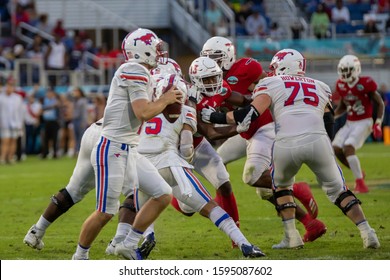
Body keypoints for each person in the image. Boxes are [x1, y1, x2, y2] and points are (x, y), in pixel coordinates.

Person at [201, 48, 380, 250]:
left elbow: (249, 114)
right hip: (318, 140)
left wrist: (215, 117)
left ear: (285, 66)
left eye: (275, 66)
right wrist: (327, 143)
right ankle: (368, 232)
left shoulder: (271, 83)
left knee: (281, 188)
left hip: (286, 142)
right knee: (340, 191)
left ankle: (291, 237)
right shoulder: (319, 85)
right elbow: (329, 118)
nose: (272, 70)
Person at [111, 73, 265, 258]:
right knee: (210, 207)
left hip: (139, 166)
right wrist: (188, 158)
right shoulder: (186, 110)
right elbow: (185, 148)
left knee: (144, 206)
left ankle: (127, 243)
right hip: (169, 164)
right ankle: (245, 245)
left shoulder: (146, 109)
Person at [201, 37, 327, 243]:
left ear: (228, 56)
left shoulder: (246, 67)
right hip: (245, 132)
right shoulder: (212, 80)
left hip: (264, 127)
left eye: (215, 58)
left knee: (252, 177)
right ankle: (310, 224)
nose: (212, 63)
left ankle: (296, 189)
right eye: (208, 58)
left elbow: (274, 85)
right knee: (247, 181)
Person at [72, 28, 183, 260]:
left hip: (129, 148)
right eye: (154, 47)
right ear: (140, 50)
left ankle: (128, 243)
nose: (158, 52)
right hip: (111, 147)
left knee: (163, 194)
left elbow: (151, 111)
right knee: (105, 212)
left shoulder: (143, 73)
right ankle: (79, 257)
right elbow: (143, 112)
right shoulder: (133, 69)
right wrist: (165, 99)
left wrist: (172, 101)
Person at [332, 54, 385, 193]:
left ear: (356, 69)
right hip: (350, 122)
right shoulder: (341, 84)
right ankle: (359, 173)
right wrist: (333, 116)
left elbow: (379, 103)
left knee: (349, 147)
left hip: (364, 121)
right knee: (336, 148)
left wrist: (378, 123)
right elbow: (343, 106)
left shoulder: (365, 83)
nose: (345, 74)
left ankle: (360, 183)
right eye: (343, 70)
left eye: (347, 70)